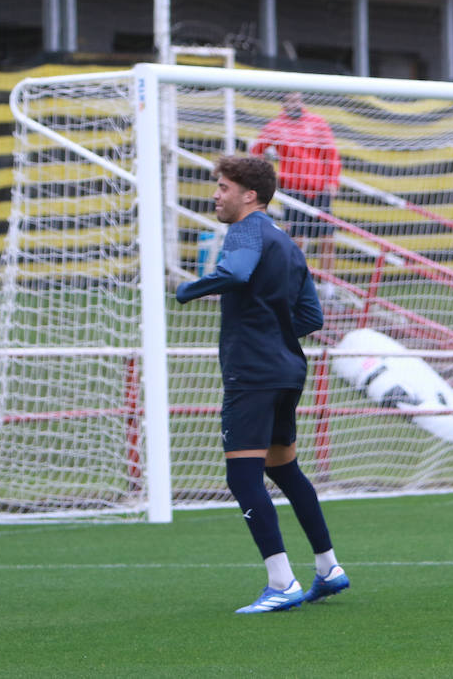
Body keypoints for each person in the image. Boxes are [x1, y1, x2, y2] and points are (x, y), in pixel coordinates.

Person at [175, 155, 350, 613]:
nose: (216, 194)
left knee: (243, 475)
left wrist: (185, 288)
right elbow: (312, 317)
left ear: (249, 195)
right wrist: (273, 335)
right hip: (287, 368)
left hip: (252, 372)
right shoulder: (288, 243)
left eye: (223, 187)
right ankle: (328, 568)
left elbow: (234, 273)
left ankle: (282, 582)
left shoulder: (246, 229)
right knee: (283, 468)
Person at [250, 92, 341, 268]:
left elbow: (332, 154)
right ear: (283, 104)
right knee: (297, 240)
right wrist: (267, 171)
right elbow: (256, 150)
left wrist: (332, 181)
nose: (295, 104)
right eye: (291, 101)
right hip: (293, 189)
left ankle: (327, 288)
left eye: (298, 100)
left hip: (319, 188)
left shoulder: (317, 123)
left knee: (328, 239)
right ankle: (293, 280)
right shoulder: (276, 126)